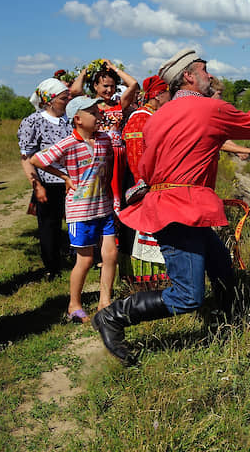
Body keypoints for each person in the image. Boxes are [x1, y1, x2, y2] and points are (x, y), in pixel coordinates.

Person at [92, 49, 250, 365]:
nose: (209, 76)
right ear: (189, 76)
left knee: (221, 263)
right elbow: (249, 123)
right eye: (204, 70)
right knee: (187, 296)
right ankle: (113, 317)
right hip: (181, 209)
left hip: (171, 205)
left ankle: (229, 321)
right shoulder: (208, 108)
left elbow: (145, 166)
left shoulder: (160, 117)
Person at [30, 96, 117, 323]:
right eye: (93, 113)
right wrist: (64, 176)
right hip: (81, 211)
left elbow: (109, 166)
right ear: (77, 119)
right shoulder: (68, 143)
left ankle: (104, 300)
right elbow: (37, 159)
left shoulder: (104, 140)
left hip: (103, 207)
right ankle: (74, 305)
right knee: (86, 260)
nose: (99, 116)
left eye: (98, 112)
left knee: (111, 255)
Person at [118, 75, 172, 287]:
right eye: (168, 93)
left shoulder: (152, 115)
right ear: (158, 95)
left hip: (152, 182)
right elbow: (136, 156)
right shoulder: (140, 118)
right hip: (141, 183)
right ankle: (141, 281)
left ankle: (158, 279)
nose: (171, 97)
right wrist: (145, 184)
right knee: (139, 231)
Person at [18, 78, 72, 278]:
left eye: (67, 97)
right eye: (63, 98)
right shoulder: (33, 122)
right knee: (50, 226)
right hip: (49, 182)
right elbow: (27, 158)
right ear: (49, 101)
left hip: (72, 181)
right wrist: (36, 185)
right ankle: (52, 267)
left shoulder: (70, 118)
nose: (67, 101)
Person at [71, 60, 139, 213]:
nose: (109, 90)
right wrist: (87, 70)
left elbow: (133, 84)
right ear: (95, 86)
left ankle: (118, 228)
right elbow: (75, 90)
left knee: (119, 191)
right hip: (98, 153)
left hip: (118, 155)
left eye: (112, 86)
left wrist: (114, 68)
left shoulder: (118, 103)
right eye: (105, 86)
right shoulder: (90, 104)